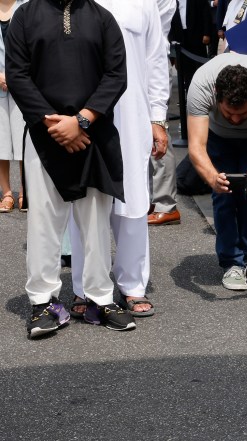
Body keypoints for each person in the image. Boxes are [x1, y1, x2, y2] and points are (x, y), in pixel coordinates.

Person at [6, 0, 134, 337]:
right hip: (44, 134)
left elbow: (116, 75)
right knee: (44, 222)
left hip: (94, 134)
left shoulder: (102, 18)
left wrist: (82, 120)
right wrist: (56, 126)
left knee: (94, 221)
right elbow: (17, 75)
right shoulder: (25, 16)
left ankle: (100, 297)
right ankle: (42, 302)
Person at [67, 0, 169, 320]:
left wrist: (157, 117)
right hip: (82, 114)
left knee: (134, 203)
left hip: (132, 115)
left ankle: (132, 285)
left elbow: (155, 59)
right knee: (84, 201)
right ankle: (84, 287)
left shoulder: (143, 3)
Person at [186, 54, 247, 291]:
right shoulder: (201, 84)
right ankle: (231, 261)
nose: (235, 118)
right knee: (223, 194)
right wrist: (212, 178)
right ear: (216, 94)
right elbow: (196, 146)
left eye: (242, 113)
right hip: (218, 137)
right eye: (229, 112)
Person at [149, 0, 181, 227]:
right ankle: (152, 198)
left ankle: (165, 204)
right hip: (135, 63)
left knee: (158, 130)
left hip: (153, 65)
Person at [0, 0, 27, 214]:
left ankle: (25, 192)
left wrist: (15, 76)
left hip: (24, 84)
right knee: (1, 141)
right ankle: (7, 192)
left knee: (24, 141)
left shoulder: (27, 5)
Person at [171, 0, 217, 92]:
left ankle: (204, 92)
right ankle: (188, 94)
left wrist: (207, 33)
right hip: (181, 37)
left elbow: (206, 13)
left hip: (197, 36)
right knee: (185, 70)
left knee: (200, 66)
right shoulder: (171, 2)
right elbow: (170, 20)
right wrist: (172, 38)